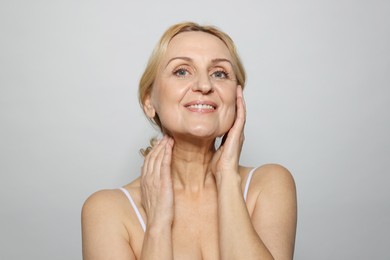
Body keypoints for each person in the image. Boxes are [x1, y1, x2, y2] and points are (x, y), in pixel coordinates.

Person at [81, 22, 297, 260]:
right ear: (149, 101)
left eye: (219, 73)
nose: (204, 86)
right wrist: (158, 227)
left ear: (236, 98)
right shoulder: (106, 211)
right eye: (182, 71)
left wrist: (226, 176)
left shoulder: (268, 186)